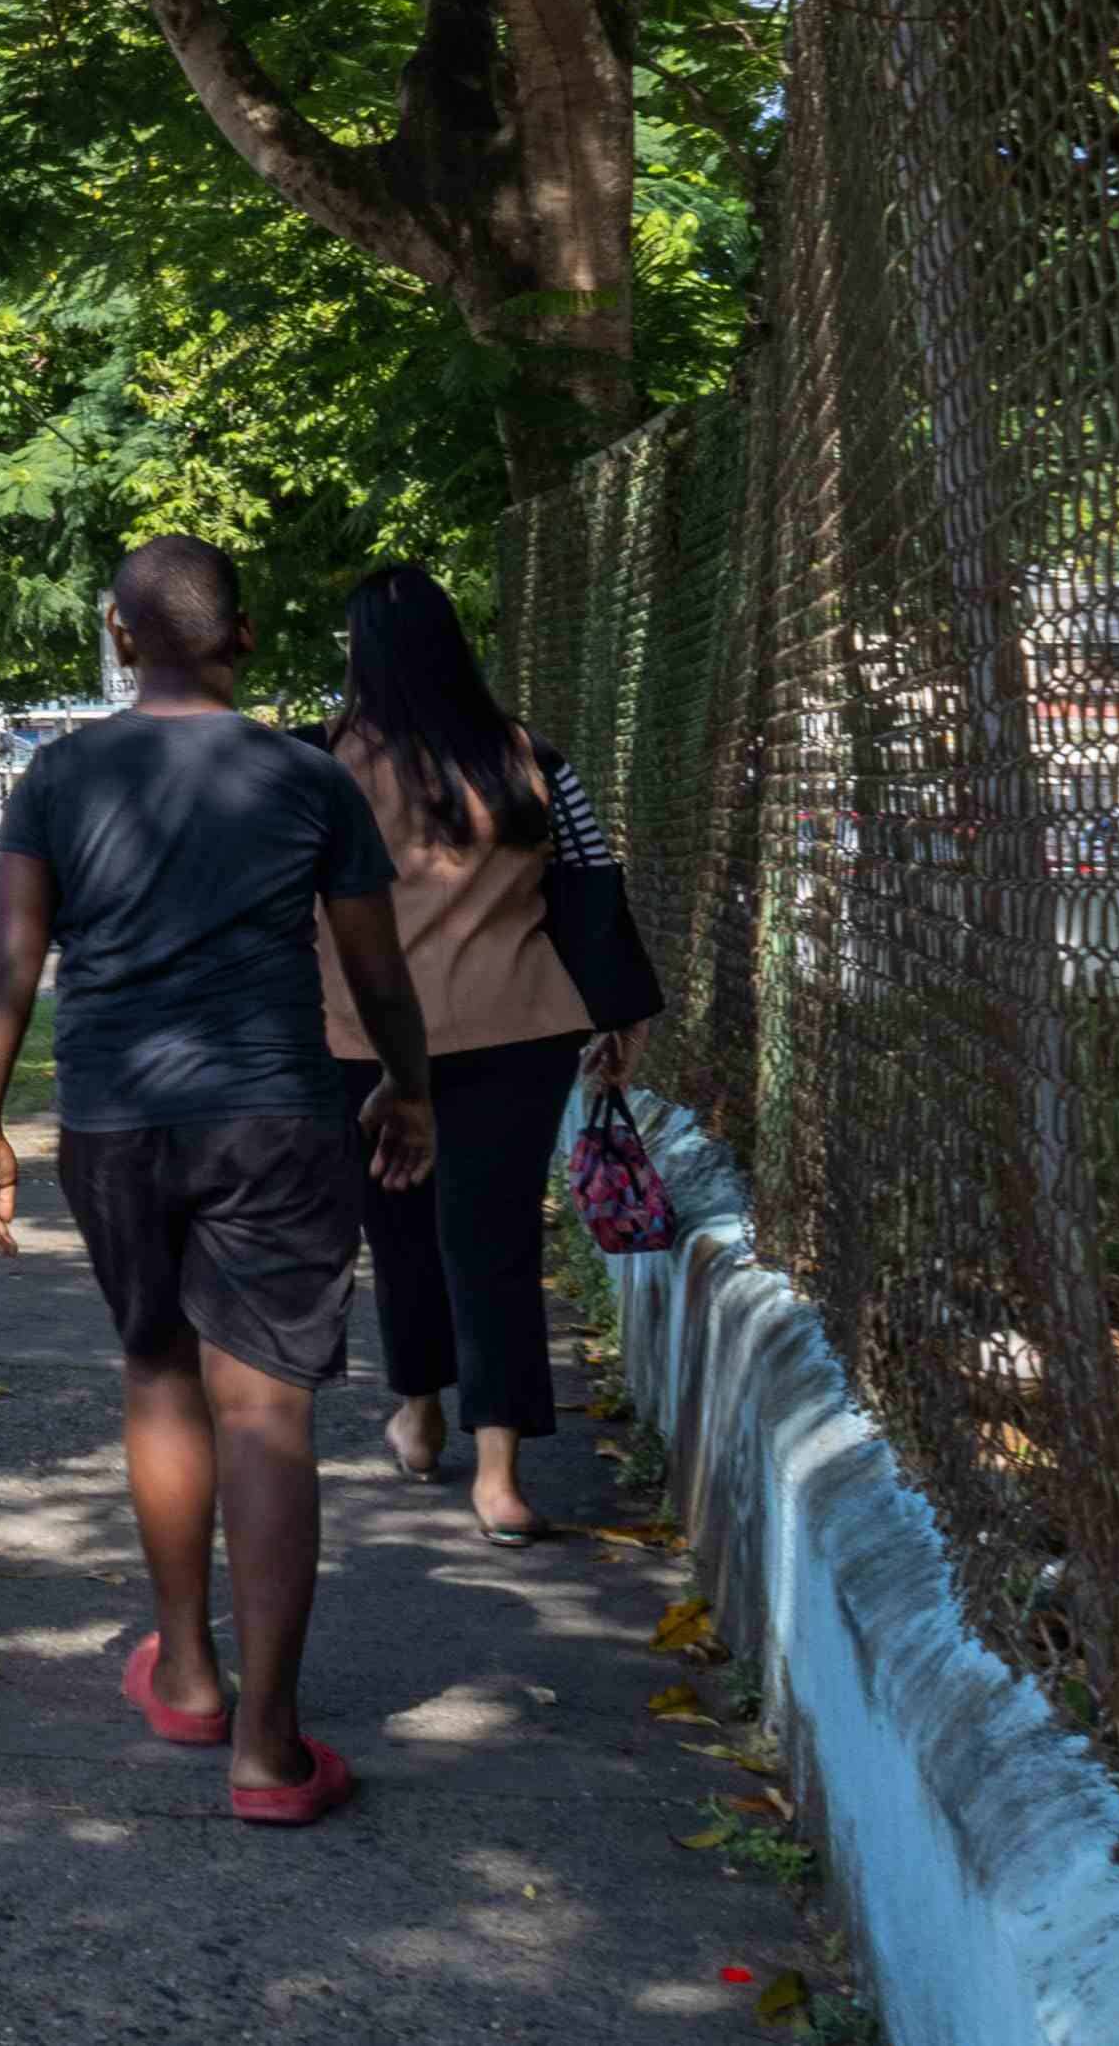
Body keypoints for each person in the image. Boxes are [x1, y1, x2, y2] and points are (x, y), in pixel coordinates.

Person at [0, 535, 439, 1829]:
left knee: (159, 1370)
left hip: (114, 1116)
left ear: (120, 636)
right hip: (274, 1114)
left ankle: (183, 1671)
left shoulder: (58, 775)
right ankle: (270, 1750)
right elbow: (378, 968)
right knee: (265, 1409)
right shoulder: (307, 776)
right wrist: (408, 1084)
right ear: (247, 635)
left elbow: (12, 955)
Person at [311, 563, 620, 1545]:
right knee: (495, 1241)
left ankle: (419, 1411)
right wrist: (620, 1011)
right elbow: (590, 875)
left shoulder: (321, 763)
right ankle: (500, 1477)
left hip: (363, 1039)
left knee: (398, 1230)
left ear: (360, 655)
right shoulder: (528, 756)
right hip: (517, 1028)